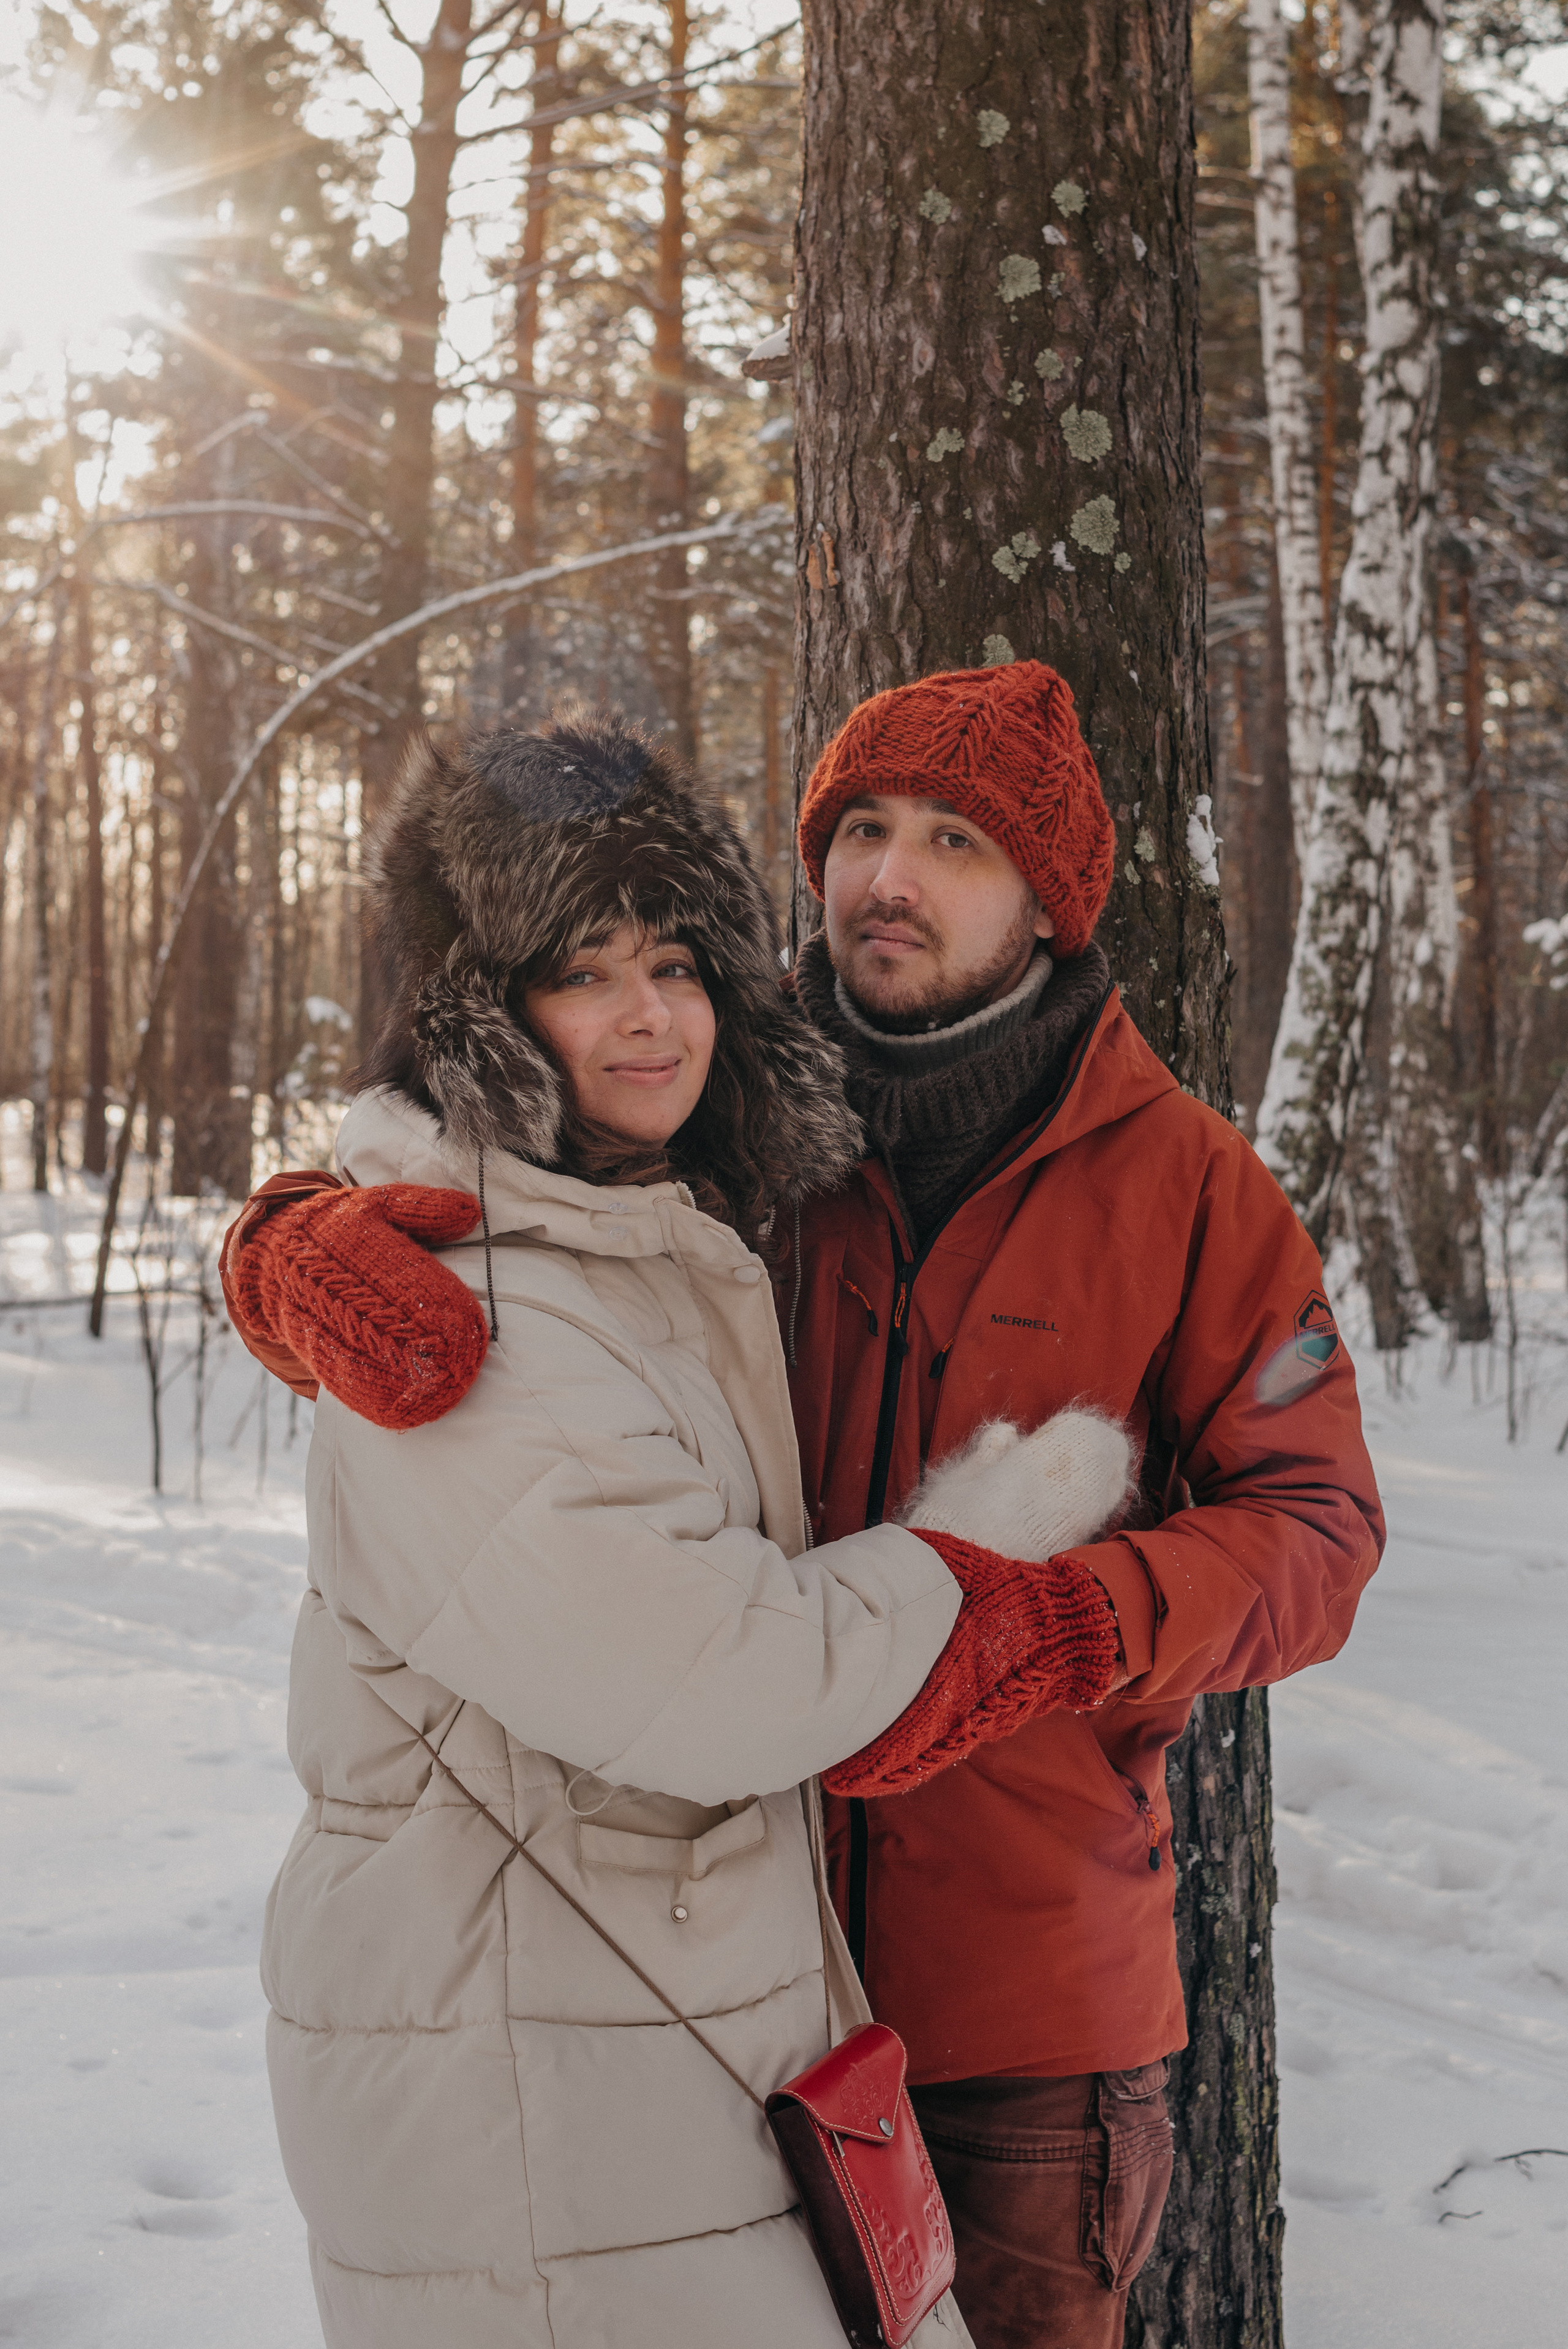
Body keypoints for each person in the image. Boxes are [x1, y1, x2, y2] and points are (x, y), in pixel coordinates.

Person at [227, 663, 1384, 2349]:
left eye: (956, 841)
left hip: (1021, 2016)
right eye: (859, 828)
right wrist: (282, 1239)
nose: (887, 879)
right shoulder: (717, 1104)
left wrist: (1084, 1623)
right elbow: (484, 1152)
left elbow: (1323, 1525)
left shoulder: (1190, 1183)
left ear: (1051, 898)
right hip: (713, 2005)